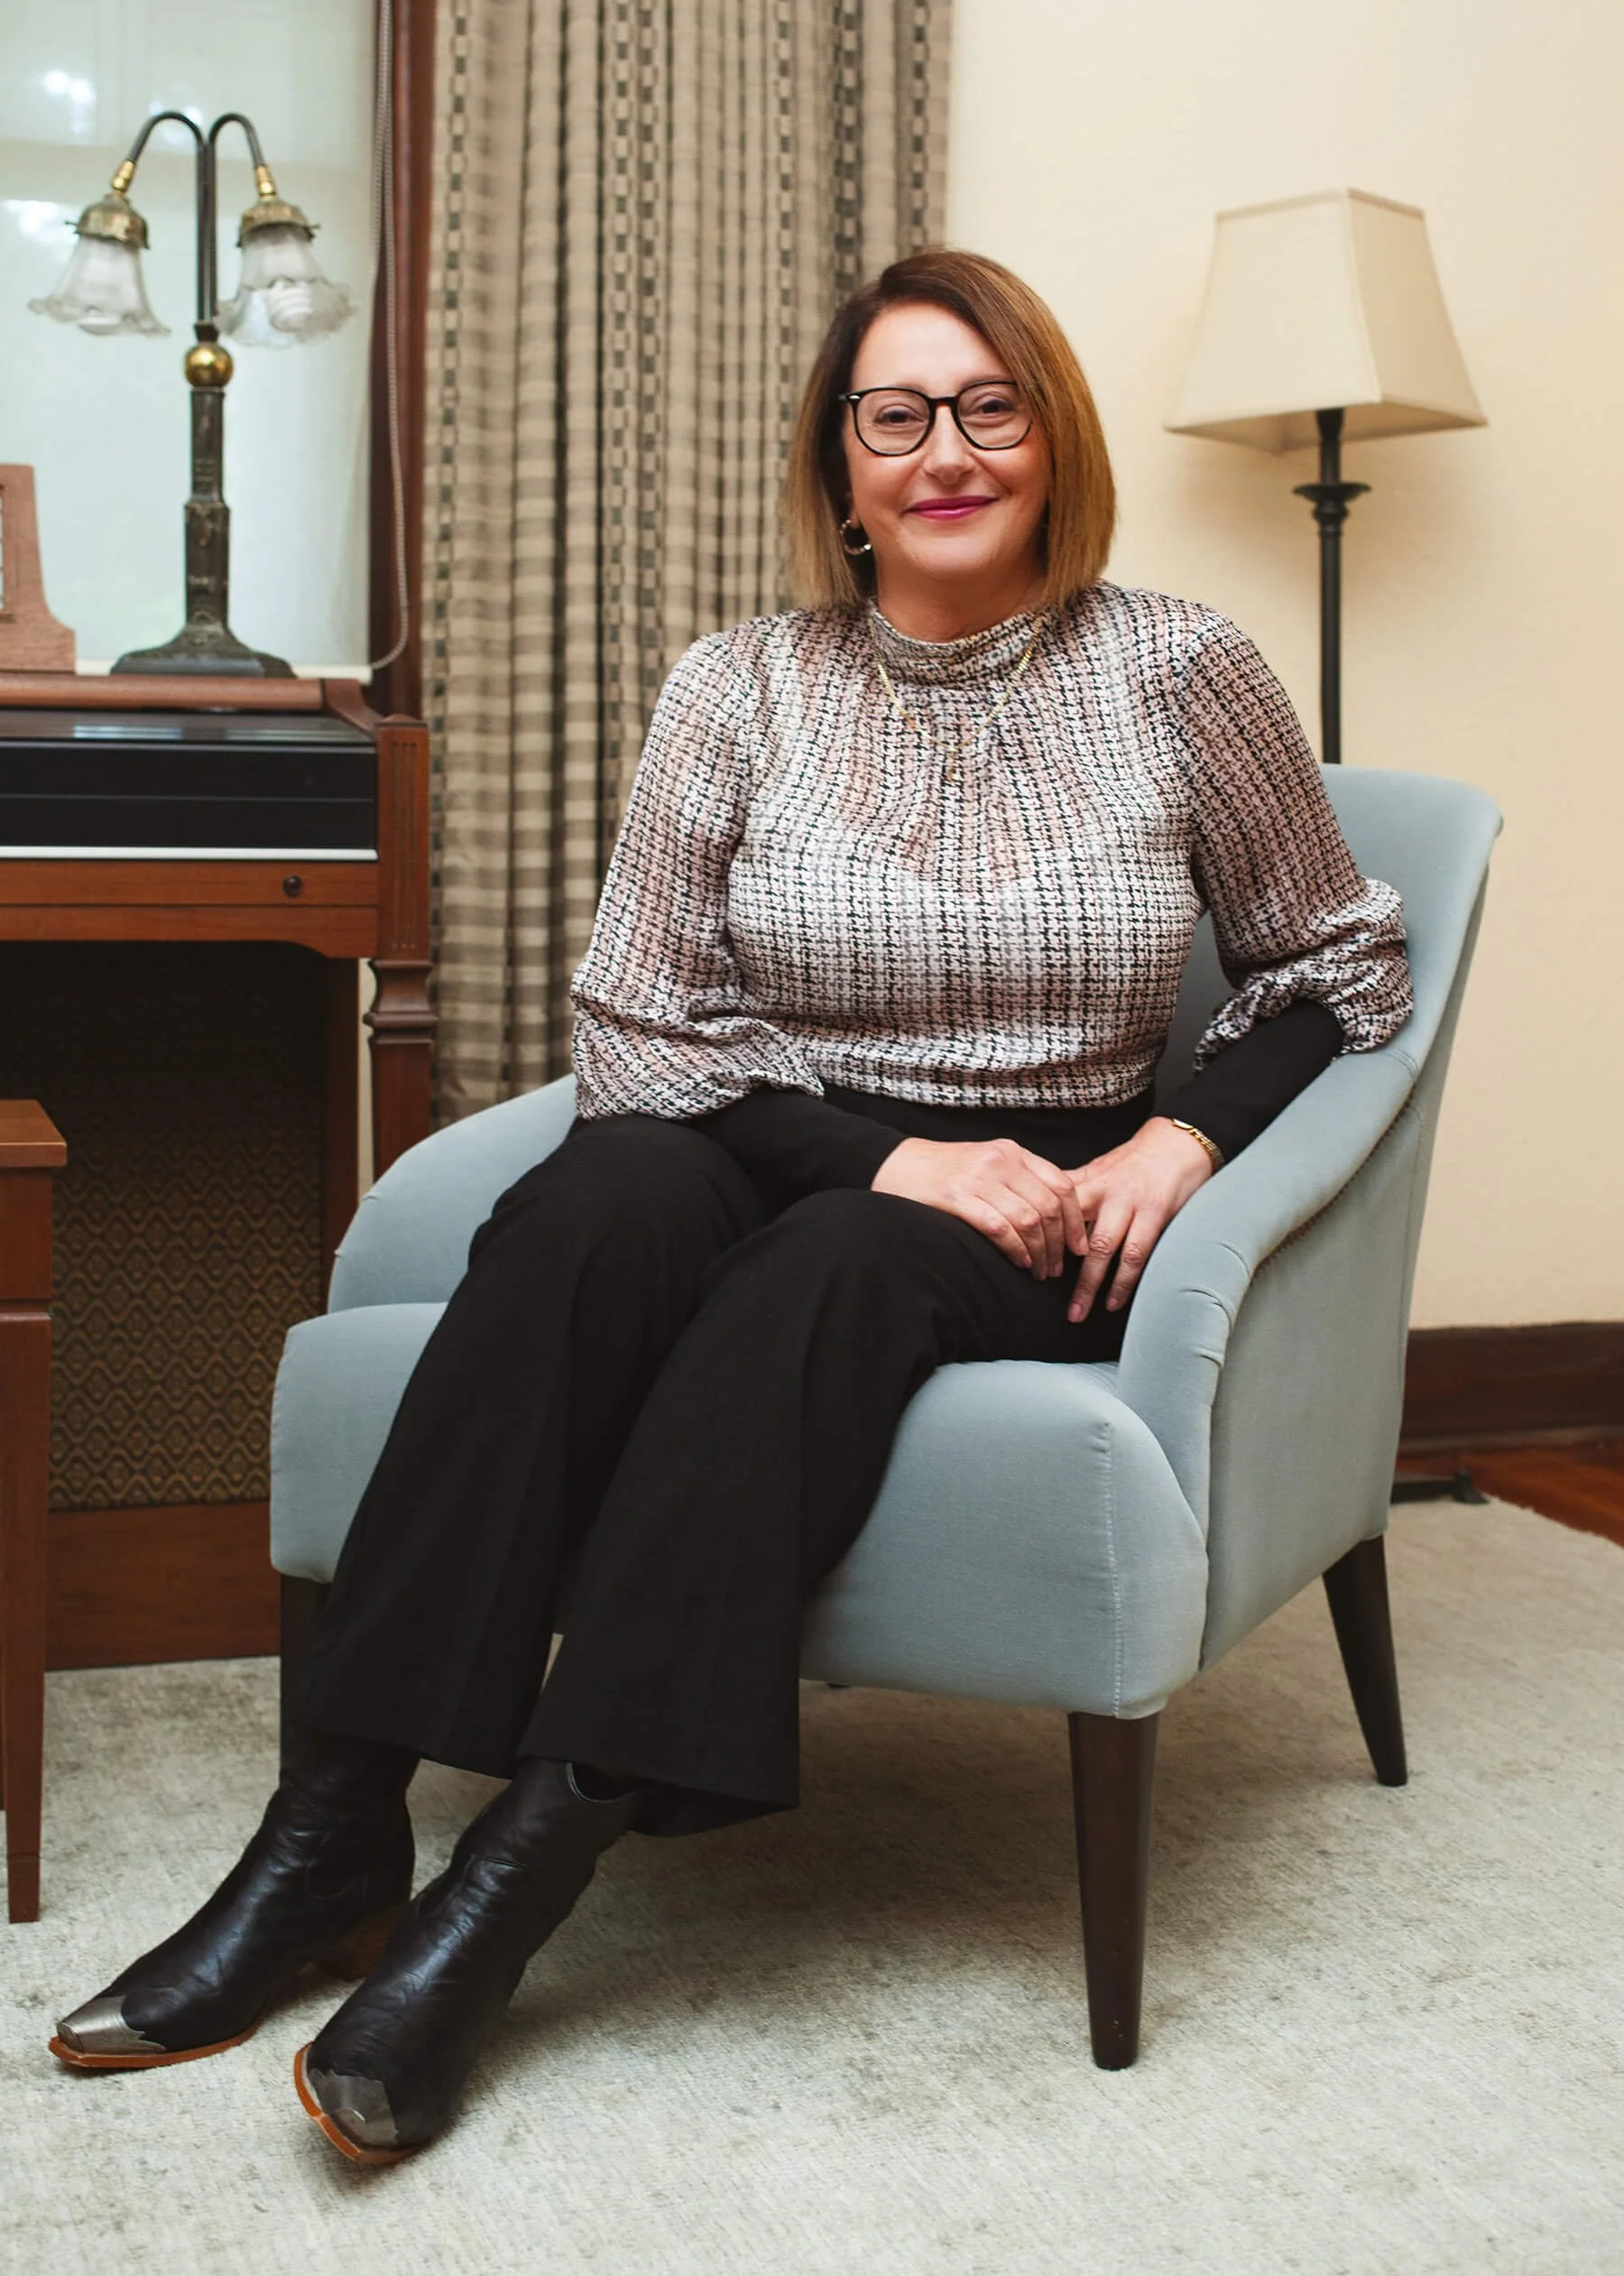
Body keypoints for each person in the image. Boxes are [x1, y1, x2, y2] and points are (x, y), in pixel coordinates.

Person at [51, 249, 1411, 2160]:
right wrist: (881, 1151)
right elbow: (634, 1023)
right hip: (787, 1133)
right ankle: (329, 1830)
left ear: (1054, 438)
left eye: (991, 407)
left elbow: (1342, 962)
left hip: (1037, 1194)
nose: (947, 452)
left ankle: (516, 1873)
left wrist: (1179, 1143)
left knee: (830, 1268)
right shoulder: (740, 684)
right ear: (840, 467)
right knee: (597, 1207)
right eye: (896, 416)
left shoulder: (1183, 669)